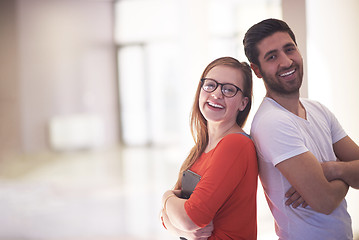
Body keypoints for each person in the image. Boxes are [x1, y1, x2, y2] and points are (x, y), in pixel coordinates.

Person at [243, 18, 359, 240]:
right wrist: (344, 171)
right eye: (272, 57)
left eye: (289, 49)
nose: (286, 62)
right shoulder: (272, 122)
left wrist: (330, 170)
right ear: (256, 70)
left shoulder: (318, 110)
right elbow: (323, 201)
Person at [160, 57, 258, 239]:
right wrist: (184, 232)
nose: (216, 94)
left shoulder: (236, 145)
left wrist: (166, 197)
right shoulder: (200, 149)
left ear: (243, 103)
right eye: (210, 85)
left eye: (229, 89)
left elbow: (190, 218)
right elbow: (167, 218)